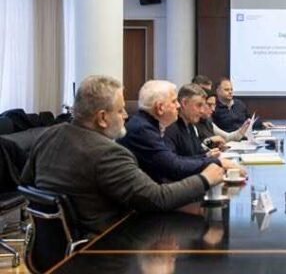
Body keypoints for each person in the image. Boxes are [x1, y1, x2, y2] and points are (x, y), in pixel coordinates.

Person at [20, 75, 224, 234]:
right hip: (104, 244)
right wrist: (205, 178)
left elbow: (26, 183)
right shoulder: (108, 154)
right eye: (120, 110)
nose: (126, 116)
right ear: (102, 118)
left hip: (52, 247)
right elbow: (157, 198)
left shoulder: (47, 136)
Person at [119, 80, 245, 183]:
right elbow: (173, 166)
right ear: (160, 107)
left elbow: (189, 157)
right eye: (174, 101)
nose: (178, 106)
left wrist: (207, 157)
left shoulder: (153, 125)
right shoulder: (144, 129)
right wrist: (215, 162)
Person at [165, 84, 224, 157]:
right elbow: (174, 161)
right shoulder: (171, 128)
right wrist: (205, 157)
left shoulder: (191, 126)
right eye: (199, 105)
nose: (202, 111)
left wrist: (208, 155)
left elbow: (198, 151)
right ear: (184, 103)